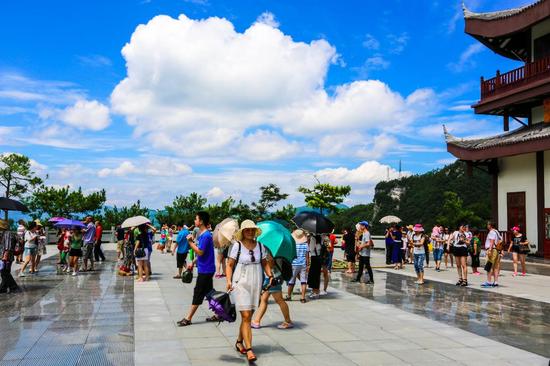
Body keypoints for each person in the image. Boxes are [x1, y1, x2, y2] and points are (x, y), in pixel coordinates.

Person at [226, 219, 273, 363]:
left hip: (256, 281)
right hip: (240, 281)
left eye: (252, 230)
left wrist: (270, 275)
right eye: (247, 230)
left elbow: (265, 263)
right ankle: (249, 349)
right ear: (242, 232)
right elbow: (229, 265)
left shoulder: (260, 246)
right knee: (246, 315)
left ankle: (240, 341)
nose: (250, 232)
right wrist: (228, 281)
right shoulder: (237, 246)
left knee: (247, 315)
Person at [177, 211, 218, 326]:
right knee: (209, 293)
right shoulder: (202, 234)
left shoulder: (205, 236)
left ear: (201, 221)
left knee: (198, 292)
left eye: (196, 219)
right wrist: (193, 262)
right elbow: (202, 253)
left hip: (206, 270)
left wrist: (190, 242)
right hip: (206, 268)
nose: (194, 221)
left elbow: (200, 251)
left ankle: (188, 318)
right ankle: (219, 312)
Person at [252, 249, 293, 330]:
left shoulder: (270, 250)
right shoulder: (278, 250)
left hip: (273, 277)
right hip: (274, 276)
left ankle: (288, 321)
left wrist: (266, 261)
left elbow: (271, 264)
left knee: (279, 300)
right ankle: (256, 321)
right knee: (264, 299)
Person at [286, 229, 309, 303]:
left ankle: (289, 296)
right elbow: (307, 256)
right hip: (303, 264)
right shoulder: (306, 245)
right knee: (303, 281)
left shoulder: (293, 245)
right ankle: (303, 297)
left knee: (291, 281)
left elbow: (290, 255)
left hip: (294, 264)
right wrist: (307, 265)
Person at [0, 219, 19, 293]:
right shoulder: (4, 233)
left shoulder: (7, 233)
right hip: (4, 255)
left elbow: (7, 246)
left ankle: (13, 286)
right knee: (4, 272)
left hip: (7, 256)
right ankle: (3, 287)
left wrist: (5, 256)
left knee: (4, 272)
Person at [481, 222, 502, 288]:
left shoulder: (491, 232)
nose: (487, 225)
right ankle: (495, 282)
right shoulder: (497, 232)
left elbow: (492, 241)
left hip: (492, 250)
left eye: (488, 224)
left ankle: (489, 281)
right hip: (497, 250)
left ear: (490, 225)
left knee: (489, 265)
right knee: (496, 267)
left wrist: (490, 250)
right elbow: (501, 241)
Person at [306, 232, 322, 299]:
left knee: (314, 275)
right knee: (316, 275)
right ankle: (315, 290)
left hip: (315, 258)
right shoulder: (321, 238)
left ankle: (316, 291)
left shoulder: (313, 239)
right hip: (318, 258)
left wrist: (308, 241)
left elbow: (311, 249)